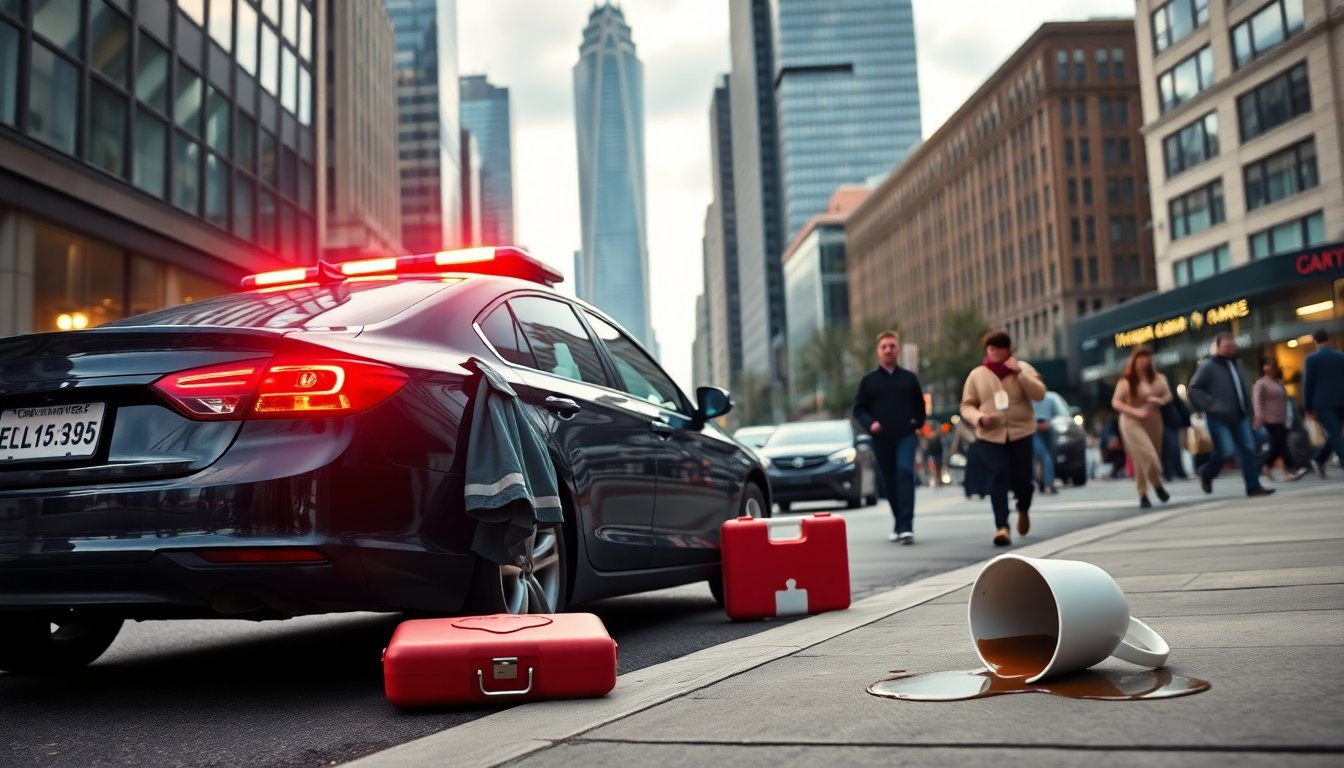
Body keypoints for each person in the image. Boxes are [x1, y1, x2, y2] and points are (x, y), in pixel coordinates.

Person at [960, 328, 1046, 547]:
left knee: (1023, 481)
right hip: (990, 436)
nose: (992, 351)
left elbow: (1039, 393)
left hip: (1021, 432)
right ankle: (1002, 527)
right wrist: (980, 418)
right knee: (998, 475)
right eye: (989, 347)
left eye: (997, 347)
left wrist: (1019, 373)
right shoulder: (977, 374)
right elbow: (967, 405)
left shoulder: (1024, 368)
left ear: (1008, 349)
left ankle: (1023, 508)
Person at [853, 330, 927, 544]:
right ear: (878, 351)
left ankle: (906, 526)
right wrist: (871, 424)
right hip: (881, 438)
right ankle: (898, 521)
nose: (888, 350)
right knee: (890, 481)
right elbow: (859, 410)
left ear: (898, 349)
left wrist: (917, 422)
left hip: (906, 436)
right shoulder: (868, 381)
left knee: (905, 472)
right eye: (884, 346)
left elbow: (920, 406)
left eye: (892, 346)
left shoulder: (909, 379)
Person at [1187, 332, 1275, 497]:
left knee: (1248, 450)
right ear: (1218, 347)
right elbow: (1194, 389)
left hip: (1240, 416)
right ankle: (1206, 472)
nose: (1230, 349)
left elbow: (1243, 390)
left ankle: (1253, 486)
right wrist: (1211, 405)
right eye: (1226, 346)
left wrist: (1252, 413)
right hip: (1218, 417)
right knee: (1226, 451)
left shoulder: (1237, 365)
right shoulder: (1208, 366)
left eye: (1232, 345)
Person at [1110, 346, 1173, 508]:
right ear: (1134, 361)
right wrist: (1135, 411)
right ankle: (1157, 484)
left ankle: (1143, 493)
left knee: (1144, 458)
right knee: (1147, 455)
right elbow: (1116, 402)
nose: (1145, 361)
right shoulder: (1126, 382)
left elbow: (1167, 395)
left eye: (1148, 358)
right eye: (1141, 358)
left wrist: (1160, 401)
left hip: (1153, 420)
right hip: (1131, 421)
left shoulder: (1159, 378)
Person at [1253, 356, 1309, 482]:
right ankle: (1289, 469)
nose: (1270, 368)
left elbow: (1285, 402)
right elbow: (1257, 402)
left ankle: (1266, 466)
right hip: (1268, 420)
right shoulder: (1261, 383)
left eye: (1272, 365)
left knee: (1277, 447)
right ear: (1262, 367)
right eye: (1267, 365)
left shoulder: (1278, 383)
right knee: (1282, 446)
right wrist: (1260, 417)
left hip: (1281, 419)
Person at [1302, 328, 1344, 478]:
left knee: (1335, 434)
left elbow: (1308, 384)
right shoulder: (1341, 356)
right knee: (1336, 433)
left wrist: (1307, 407)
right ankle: (1319, 459)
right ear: (1328, 339)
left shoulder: (1311, 359)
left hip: (1322, 403)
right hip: (1341, 401)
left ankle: (1319, 459)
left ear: (1314, 340)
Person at [1161, 393, 1191, 481]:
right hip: (1165, 421)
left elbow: (1179, 405)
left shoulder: (1167, 391)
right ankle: (1171, 472)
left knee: (1173, 447)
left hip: (1169, 421)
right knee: (1171, 447)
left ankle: (1173, 471)